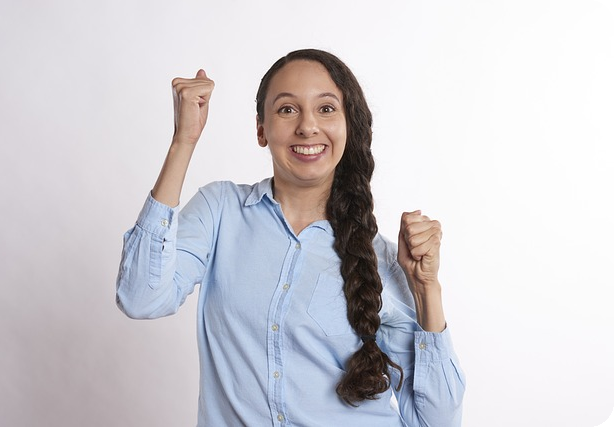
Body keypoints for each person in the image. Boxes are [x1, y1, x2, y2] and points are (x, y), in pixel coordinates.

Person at [116, 48, 465, 426]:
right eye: (287, 109)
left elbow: (436, 421)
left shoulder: (380, 259)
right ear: (261, 129)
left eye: (326, 109)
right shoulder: (220, 212)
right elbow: (141, 297)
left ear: (348, 125)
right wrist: (183, 142)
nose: (307, 126)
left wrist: (426, 288)